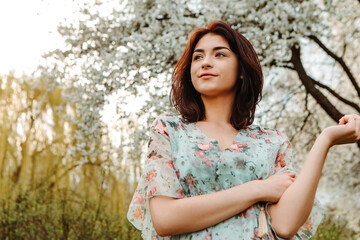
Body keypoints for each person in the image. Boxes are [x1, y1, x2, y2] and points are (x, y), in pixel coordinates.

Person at [127, 20, 360, 240]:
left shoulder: (271, 142)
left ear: (241, 69)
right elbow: (166, 218)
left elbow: (285, 225)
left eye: (220, 54)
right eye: (198, 57)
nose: (205, 62)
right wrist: (259, 189)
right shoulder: (169, 130)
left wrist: (325, 139)